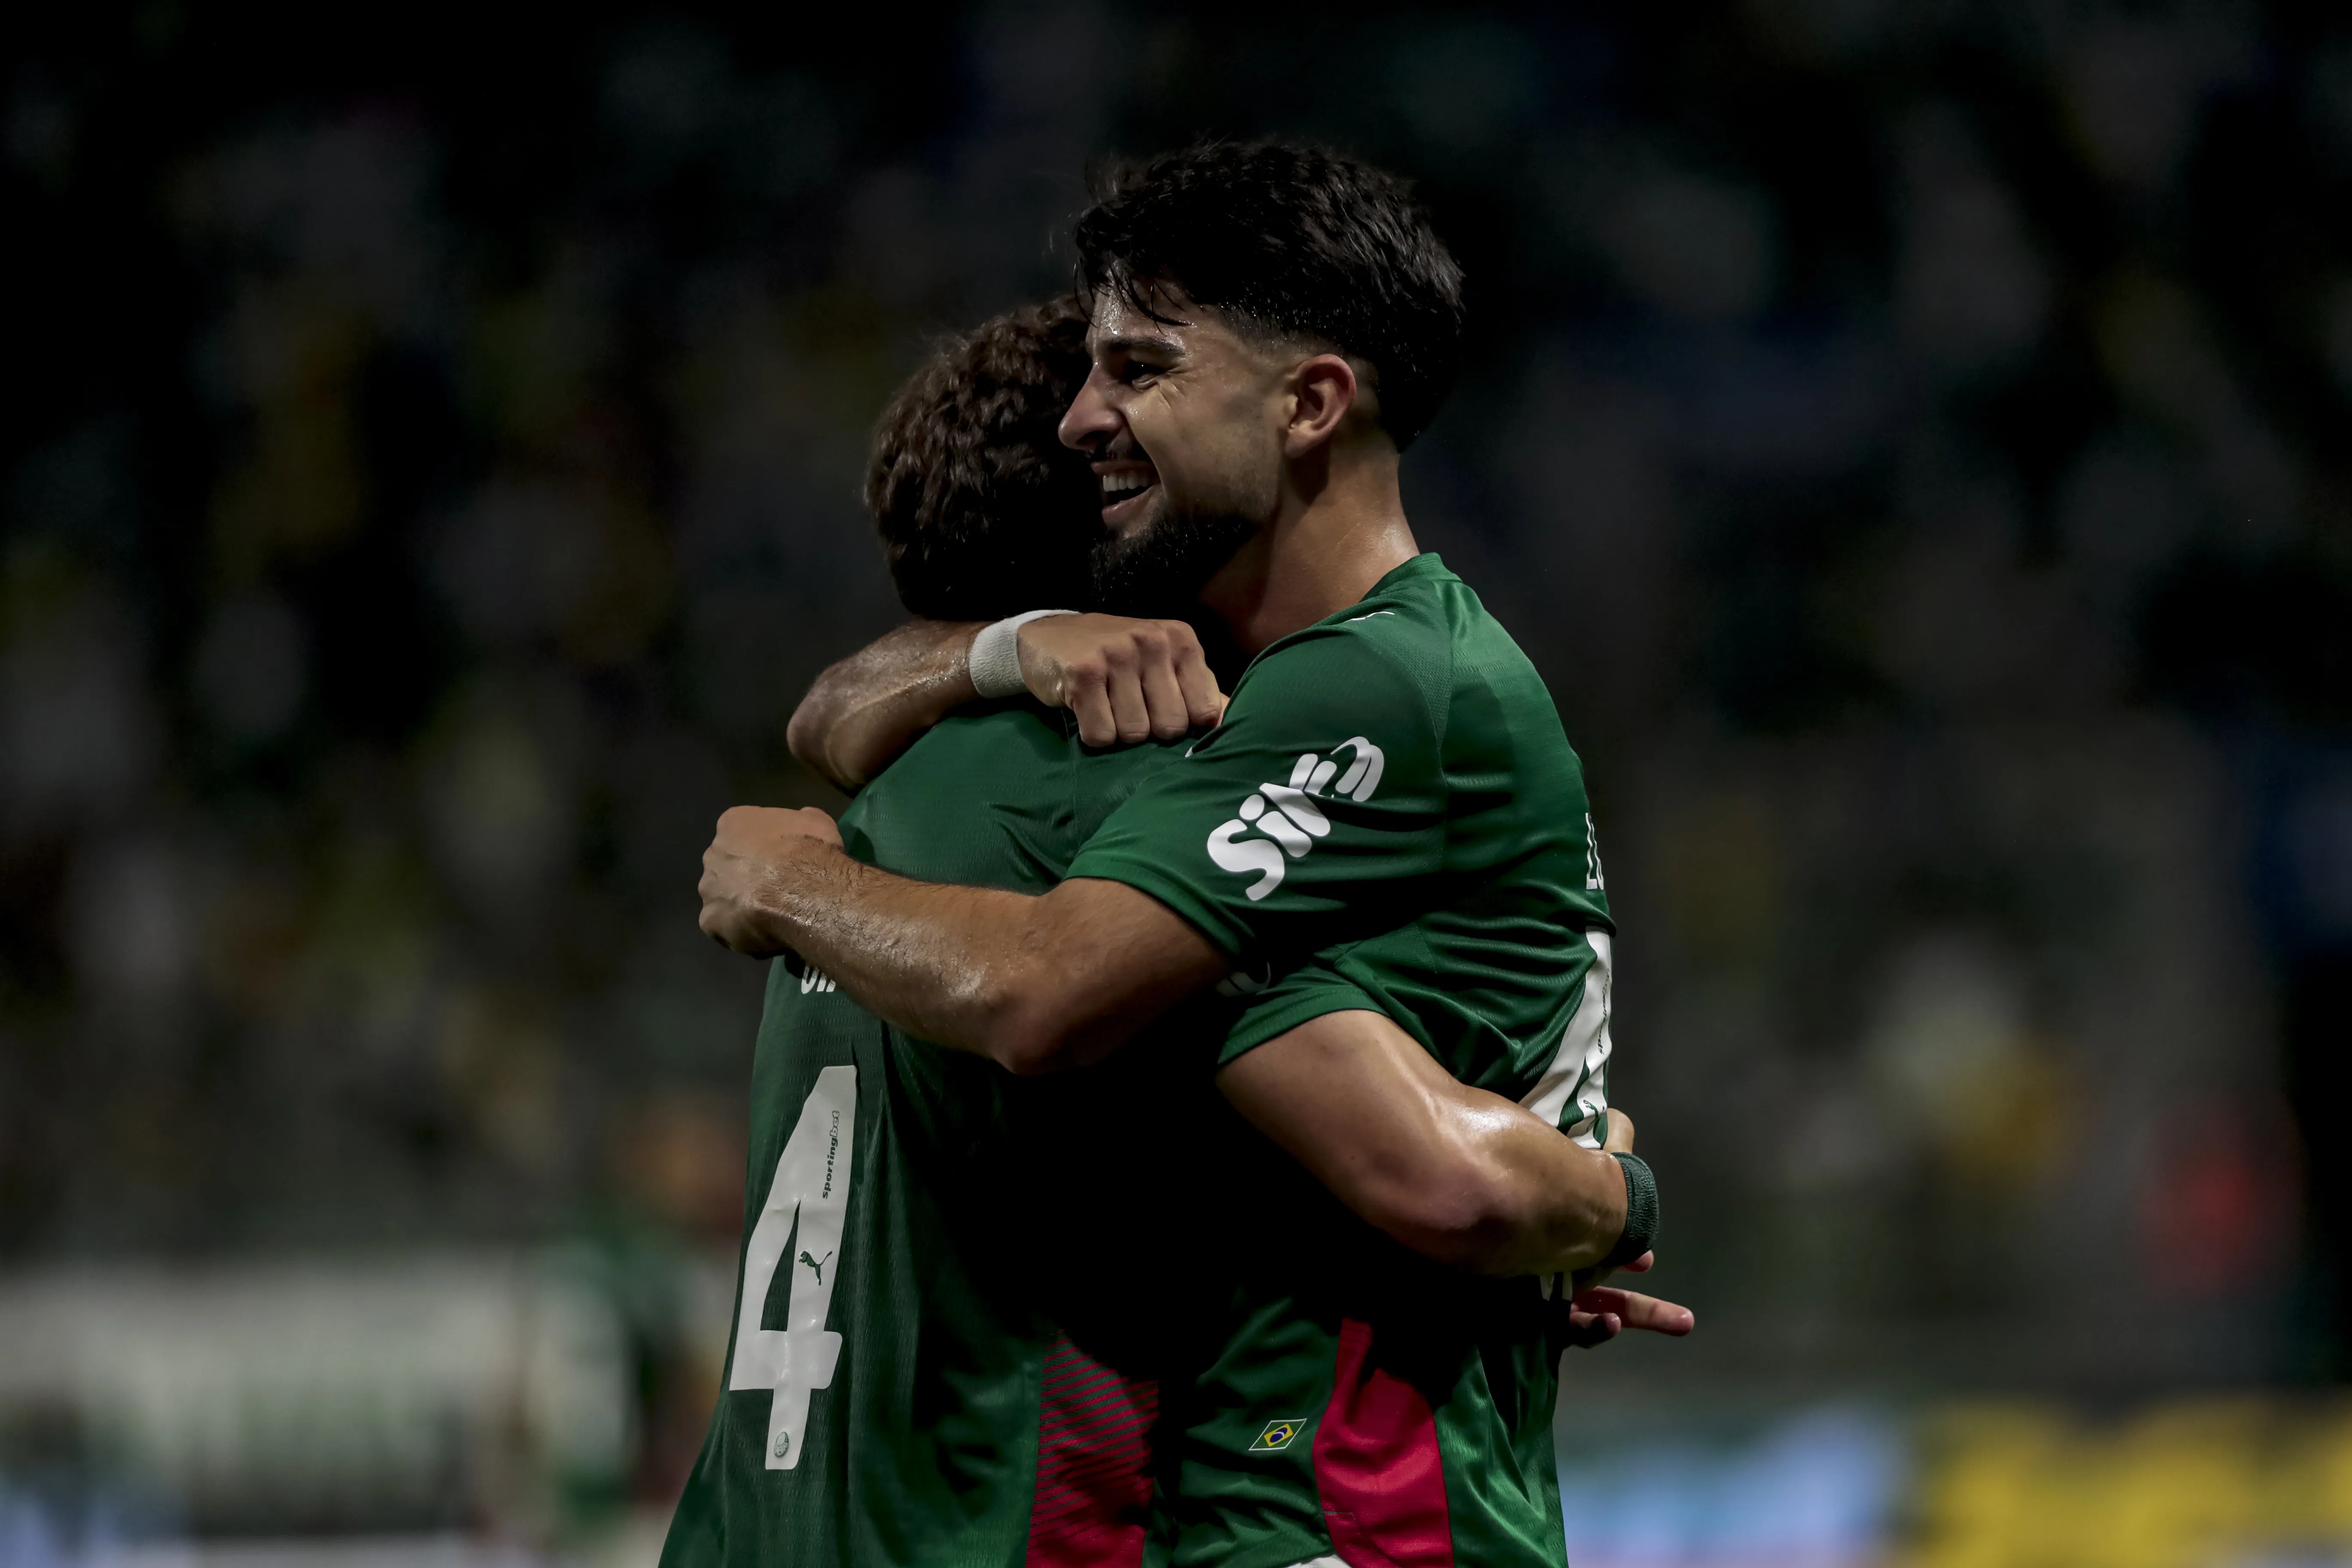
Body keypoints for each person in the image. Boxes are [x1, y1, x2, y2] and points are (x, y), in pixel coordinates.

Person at [699, 139, 1675, 1568]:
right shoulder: (1143, 784)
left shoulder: (1355, 695)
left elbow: (1028, 954)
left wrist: (789, 874)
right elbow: (1441, 1174)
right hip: (1333, 1520)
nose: (1092, 421)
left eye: (1143, 370)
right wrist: (1610, 1193)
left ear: (1311, 401)